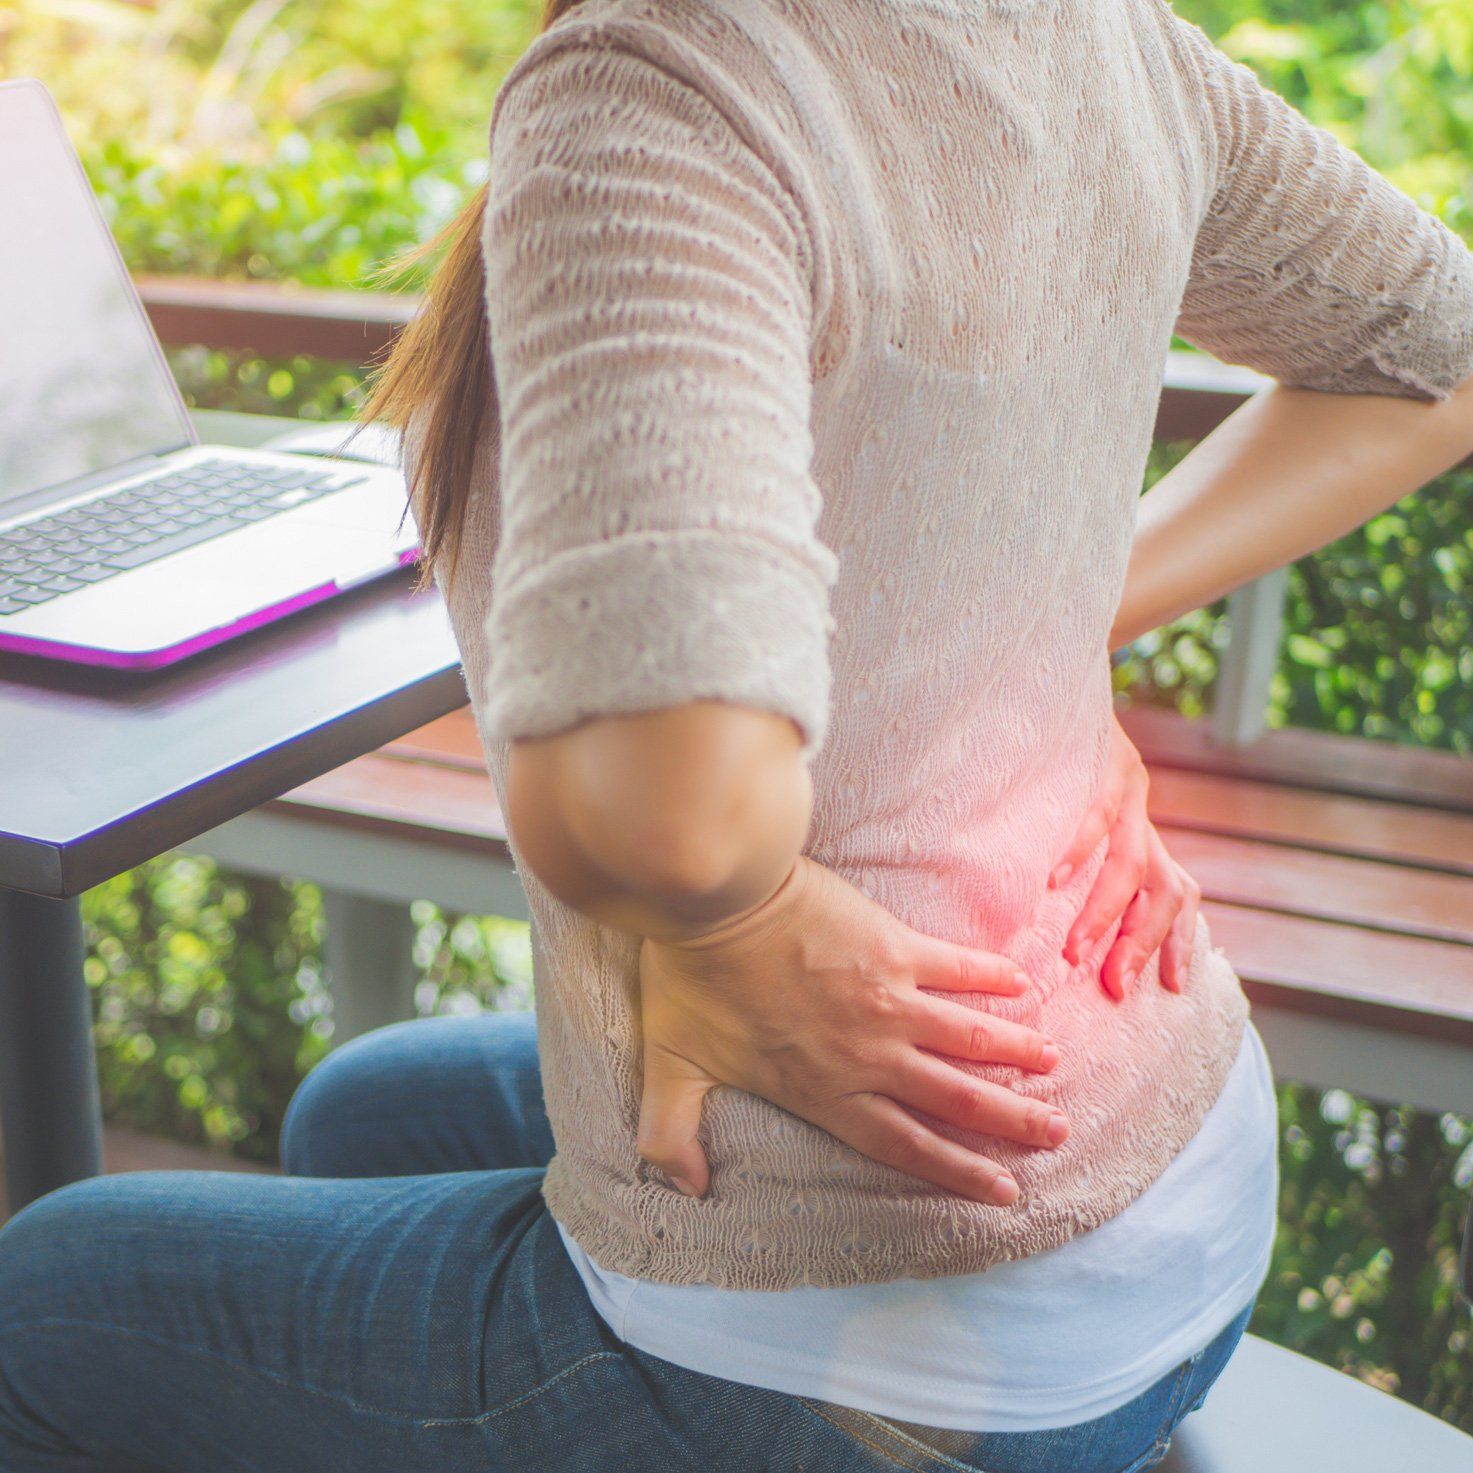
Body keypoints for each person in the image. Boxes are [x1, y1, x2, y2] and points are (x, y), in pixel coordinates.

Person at [3, 0, 1473, 1467]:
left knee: (43, 1290)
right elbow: (1439, 356)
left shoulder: (657, 82)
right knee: (360, 1106)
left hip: (901, 1357)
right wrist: (1032, 629)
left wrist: (736, 918)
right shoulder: (1098, 30)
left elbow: (673, 816)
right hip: (1179, 1205)